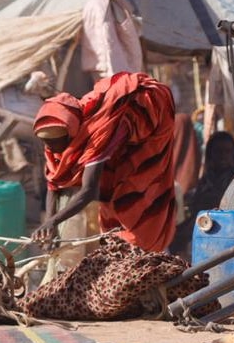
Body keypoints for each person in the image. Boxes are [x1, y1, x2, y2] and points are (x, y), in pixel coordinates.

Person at [30, 72, 176, 253]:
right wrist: (49, 226)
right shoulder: (57, 132)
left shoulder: (99, 134)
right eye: (46, 144)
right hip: (119, 143)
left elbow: (89, 191)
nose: (50, 149)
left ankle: (149, 255)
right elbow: (54, 183)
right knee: (112, 204)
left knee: (140, 200)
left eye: (55, 144)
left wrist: (53, 221)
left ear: (71, 134)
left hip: (149, 128)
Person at [188, 131, 234, 215]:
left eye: (227, 151)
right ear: (211, 154)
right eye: (218, 151)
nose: (223, 156)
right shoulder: (207, 179)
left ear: (233, 153)